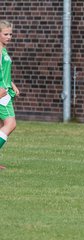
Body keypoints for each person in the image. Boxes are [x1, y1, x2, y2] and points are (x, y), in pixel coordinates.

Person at [0, 20, 20, 170]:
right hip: (2, 94)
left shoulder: (4, 50)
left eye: (10, 34)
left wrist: (12, 84)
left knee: (1, 126)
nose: (9, 36)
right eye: (5, 34)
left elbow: (3, 73)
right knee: (10, 124)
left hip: (6, 90)